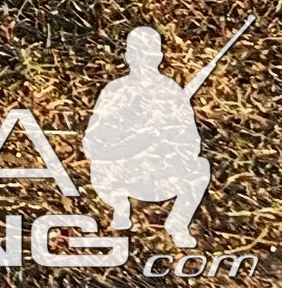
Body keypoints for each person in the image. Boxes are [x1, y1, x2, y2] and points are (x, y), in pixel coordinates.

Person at [85, 27, 214, 247]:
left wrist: (167, 143)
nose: (144, 61)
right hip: (120, 175)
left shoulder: (171, 92)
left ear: (159, 57)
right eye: (137, 54)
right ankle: (119, 206)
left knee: (200, 167)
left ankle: (178, 223)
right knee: (99, 166)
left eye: (150, 55)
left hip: (160, 176)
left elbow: (192, 143)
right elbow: (92, 144)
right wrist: (135, 144)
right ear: (127, 57)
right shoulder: (115, 91)